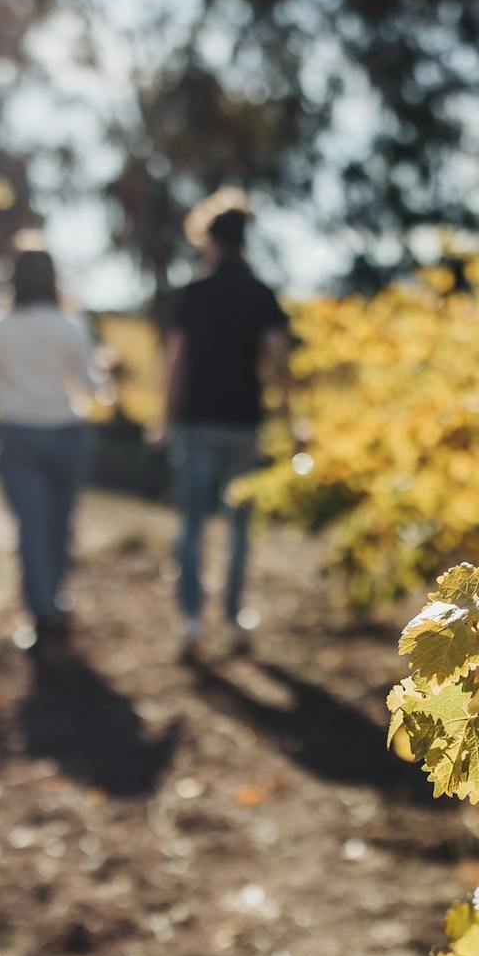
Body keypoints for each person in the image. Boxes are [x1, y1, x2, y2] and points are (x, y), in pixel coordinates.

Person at [158, 188, 290, 655]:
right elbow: (276, 360)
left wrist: (162, 418)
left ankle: (192, 619)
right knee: (238, 525)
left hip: (196, 421)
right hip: (243, 421)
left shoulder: (193, 292)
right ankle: (233, 617)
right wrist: (290, 419)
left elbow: (176, 361)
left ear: (209, 239)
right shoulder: (260, 294)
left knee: (192, 523)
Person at [0, 248, 100, 655]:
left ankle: (40, 610)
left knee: (30, 526)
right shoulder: (70, 325)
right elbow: (89, 384)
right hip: (65, 431)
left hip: (16, 432)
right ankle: (54, 598)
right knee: (59, 522)